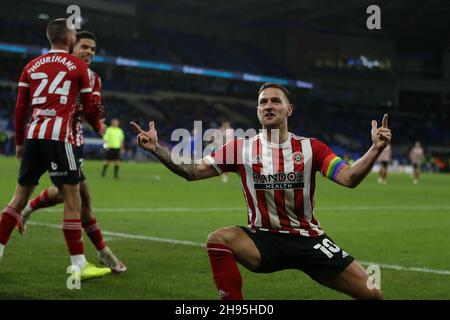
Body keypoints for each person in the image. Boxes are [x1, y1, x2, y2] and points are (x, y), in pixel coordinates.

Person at [130, 82, 391, 300]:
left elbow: (349, 178)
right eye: (263, 102)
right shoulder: (239, 148)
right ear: (257, 111)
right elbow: (193, 171)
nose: (269, 106)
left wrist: (376, 148)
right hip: (262, 240)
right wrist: (157, 149)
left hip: (308, 239)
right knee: (218, 238)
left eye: (276, 101)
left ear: (289, 109)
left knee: (372, 294)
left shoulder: (313, 148)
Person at [0, 18, 110, 280]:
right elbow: (90, 105)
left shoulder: (31, 65)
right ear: (68, 39)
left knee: (18, 198)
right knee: (73, 200)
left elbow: (19, 108)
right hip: (61, 138)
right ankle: (79, 264)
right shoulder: (78, 66)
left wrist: (18, 142)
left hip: (33, 135)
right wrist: (98, 125)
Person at [18, 31, 126, 273]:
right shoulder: (62, 70)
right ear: (70, 46)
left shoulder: (94, 78)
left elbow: (91, 109)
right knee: (75, 196)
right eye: (84, 47)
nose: (88, 52)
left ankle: (28, 208)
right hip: (56, 139)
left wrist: (98, 119)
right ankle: (92, 257)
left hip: (73, 141)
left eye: (93, 49)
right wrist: (97, 122)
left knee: (77, 196)